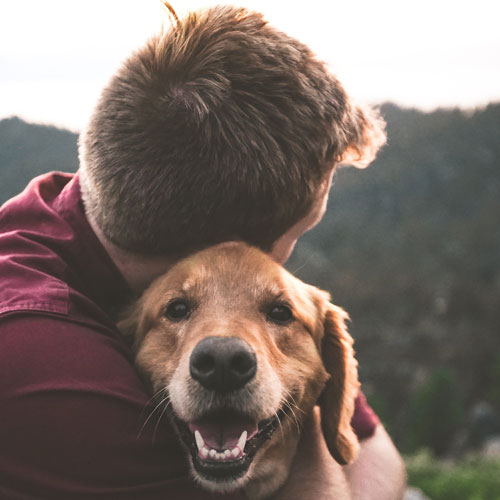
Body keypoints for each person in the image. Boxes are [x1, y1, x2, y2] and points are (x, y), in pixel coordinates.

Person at [0, 5, 405, 499]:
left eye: (275, 307)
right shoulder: (44, 366)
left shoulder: (82, 206)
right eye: (300, 232)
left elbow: (372, 448)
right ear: (226, 247)